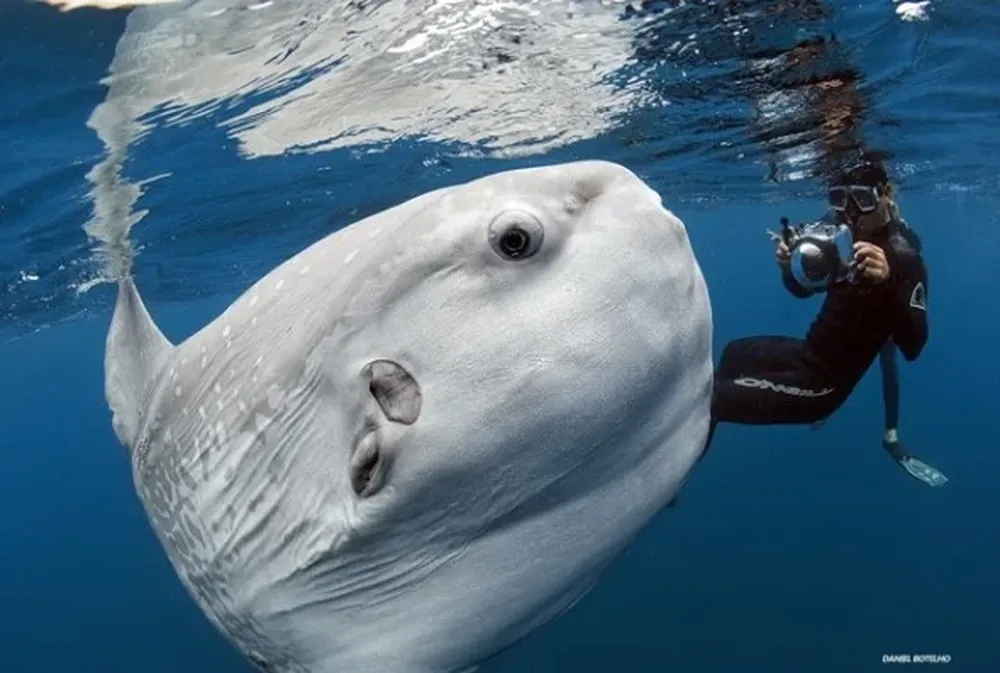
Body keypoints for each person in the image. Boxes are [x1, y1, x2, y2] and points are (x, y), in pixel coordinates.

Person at [702, 160, 947, 487]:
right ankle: (694, 445)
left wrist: (888, 283)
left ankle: (659, 480)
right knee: (733, 354)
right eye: (839, 199)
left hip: (822, 386)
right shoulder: (839, 236)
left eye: (862, 198)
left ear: (885, 195)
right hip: (808, 352)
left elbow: (914, 346)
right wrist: (789, 267)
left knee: (710, 398)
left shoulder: (904, 258)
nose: (851, 212)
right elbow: (803, 289)